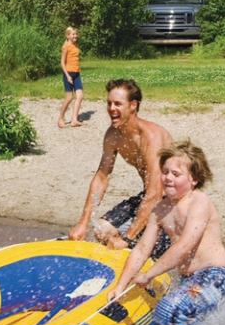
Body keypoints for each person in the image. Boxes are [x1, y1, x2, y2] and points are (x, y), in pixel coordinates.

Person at [105, 140, 225, 325]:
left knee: (166, 311)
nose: (168, 178)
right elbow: (142, 249)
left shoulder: (199, 203)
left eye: (176, 173)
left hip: (213, 277)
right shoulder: (160, 209)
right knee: (168, 316)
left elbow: (184, 246)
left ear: (194, 179)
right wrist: (120, 286)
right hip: (190, 281)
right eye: (165, 172)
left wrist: (149, 275)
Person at [67, 78, 173, 255]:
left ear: (133, 105)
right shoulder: (113, 136)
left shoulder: (151, 137)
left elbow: (156, 193)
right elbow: (102, 177)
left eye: (117, 104)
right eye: (109, 103)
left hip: (172, 204)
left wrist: (127, 238)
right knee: (102, 230)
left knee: (141, 252)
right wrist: (83, 223)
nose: (111, 109)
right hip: (147, 197)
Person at [56, 26, 84, 129]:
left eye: (76, 34)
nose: (75, 36)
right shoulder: (66, 46)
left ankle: (74, 120)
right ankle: (61, 118)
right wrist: (67, 76)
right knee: (69, 98)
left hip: (77, 73)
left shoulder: (75, 45)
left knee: (80, 96)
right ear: (68, 36)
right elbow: (62, 63)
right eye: (73, 34)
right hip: (68, 74)